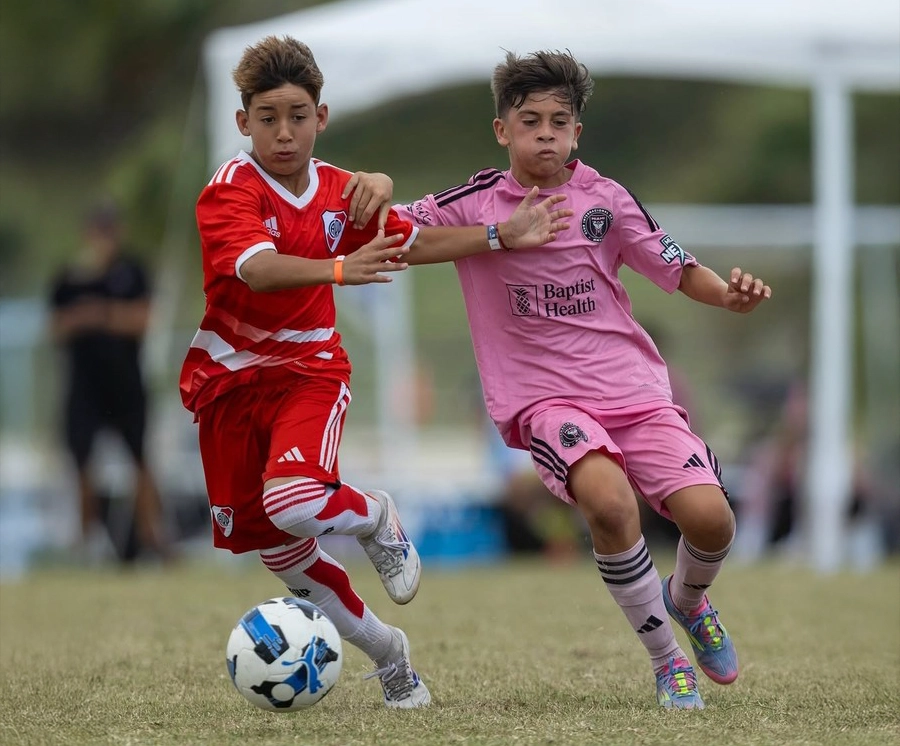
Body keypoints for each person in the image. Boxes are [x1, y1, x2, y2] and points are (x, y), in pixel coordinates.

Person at [178, 36, 570, 710]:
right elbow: (257, 269)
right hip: (229, 384)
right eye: (267, 118)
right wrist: (338, 268)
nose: (283, 132)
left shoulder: (343, 191)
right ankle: (391, 656)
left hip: (310, 370)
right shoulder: (229, 191)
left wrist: (500, 235)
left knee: (294, 503)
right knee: (283, 554)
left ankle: (377, 514)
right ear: (243, 122)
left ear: (321, 118)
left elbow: (409, 242)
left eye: (298, 115)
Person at [395, 49, 772, 709]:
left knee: (712, 521)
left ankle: (688, 602)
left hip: (634, 392)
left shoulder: (607, 199)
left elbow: (679, 267)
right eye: (531, 121)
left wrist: (728, 296)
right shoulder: (475, 202)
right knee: (610, 503)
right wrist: (499, 236)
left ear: (577, 132)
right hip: (546, 402)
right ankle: (667, 661)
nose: (545, 134)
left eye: (559, 122)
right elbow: (399, 237)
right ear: (502, 130)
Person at [49, 201, 174, 564]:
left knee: (140, 459)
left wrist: (98, 314)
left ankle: (153, 537)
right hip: (84, 386)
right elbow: (57, 327)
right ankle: (87, 541)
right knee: (82, 462)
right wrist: (93, 316)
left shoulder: (132, 271)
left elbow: (142, 320)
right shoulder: (69, 277)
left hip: (126, 382)